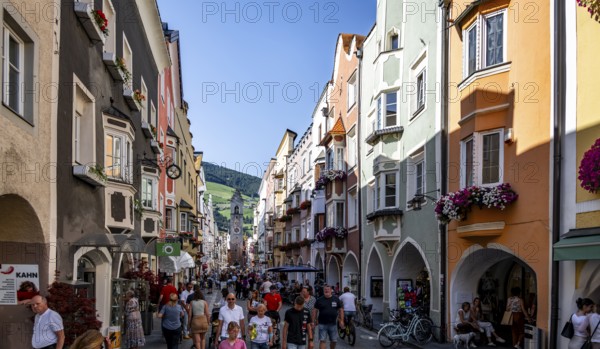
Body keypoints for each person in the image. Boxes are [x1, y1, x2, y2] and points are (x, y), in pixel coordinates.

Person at [312, 285, 344, 349]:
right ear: (323, 291)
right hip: (322, 324)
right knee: (322, 340)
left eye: (328, 289)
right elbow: (315, 310)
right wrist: (313, 321)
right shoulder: (319, 300)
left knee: (334, 341)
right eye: (325, 289)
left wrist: (341, 320)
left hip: (333, 324)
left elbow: (341, 310)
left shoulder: (336, 299)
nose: (326, 290)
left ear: (331, 290)